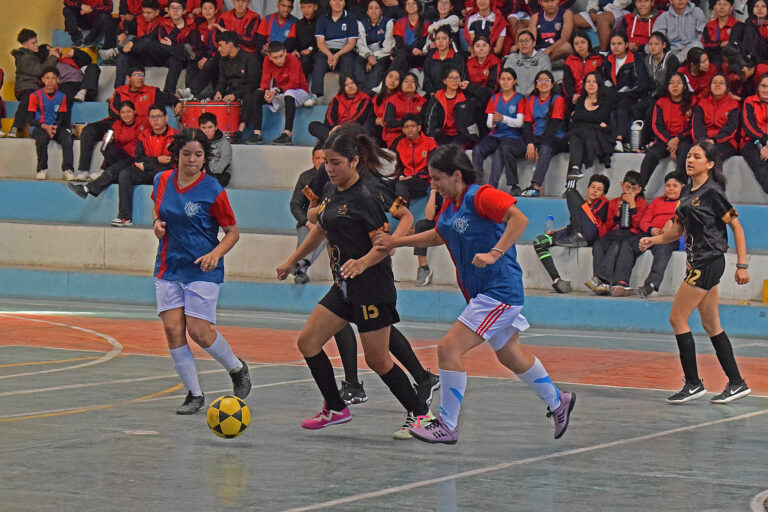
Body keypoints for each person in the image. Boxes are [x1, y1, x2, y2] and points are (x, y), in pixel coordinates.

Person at [374, 144, 576, 444]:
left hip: (499, 291)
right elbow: (441, 234)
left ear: (456, 175)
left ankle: (447, 424)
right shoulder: (450, 205)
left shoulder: (480, 195)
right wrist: (397, 242)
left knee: (448, 349)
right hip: (481, 293)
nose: (434, 185)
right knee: (511, 355)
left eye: (437, 179)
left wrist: (495, 253)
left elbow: (518, 220)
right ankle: (559, 401)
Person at [275, 129, 434, 436]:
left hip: (372, 287)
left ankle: (421, 414)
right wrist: (291, 260)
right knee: (308, 341)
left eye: (336, 163)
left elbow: (381, 245)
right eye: (326, 163)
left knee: (377, 360)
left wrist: (362, 262)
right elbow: (320, 230)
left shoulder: (365, 197)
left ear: (354, 161)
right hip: (345, 286)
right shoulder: (332, 191)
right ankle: (335, 407)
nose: (329, 169)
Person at [639, 141, 751, 404]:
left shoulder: (713, 192)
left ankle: (693, 383)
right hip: (698, 262)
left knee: (677, 318)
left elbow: (736, 227)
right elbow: (677, 231)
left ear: (709, 164)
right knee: (711, 325)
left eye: (697, 157)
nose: (690, 160)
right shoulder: (687, 192)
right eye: (688, 156)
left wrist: (742, 265)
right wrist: (652, 241)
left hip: (708, 262)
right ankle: (737, 382)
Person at [152, 128, 251, 415]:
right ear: (177, 155)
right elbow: (160, 215)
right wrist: (157, 225)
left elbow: (232, 233)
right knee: (173, 329)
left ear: (205, 158)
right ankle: (194, 394)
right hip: (169, 266)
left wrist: (215, 253)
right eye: (187, 154)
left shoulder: (212, 190)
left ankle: (236, 367)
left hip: (203, 269)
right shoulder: (161, 180)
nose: (192, 160)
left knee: (199, 331)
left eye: (198, 155)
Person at [76, 66, 179, 180]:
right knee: (88, 130)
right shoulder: (120, 91)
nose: (140, 78)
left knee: (114, 145)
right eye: (136, 75)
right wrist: (124, 122)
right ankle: (83, 170)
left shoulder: (152, 91)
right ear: (128, 78)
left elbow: (168, 97)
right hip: (117, 123)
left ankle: (104, 169)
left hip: (137, 126)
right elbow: (113, 110)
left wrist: (177, 102)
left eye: (142, 75)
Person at [533, 173, 610, 293]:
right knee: (539, 241)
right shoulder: (580, 204)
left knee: (571, 192)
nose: (595, 191)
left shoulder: (603, 202)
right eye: (592, 187)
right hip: (574, 229)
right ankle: (557, 280)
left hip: (591, 232)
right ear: (588, 188)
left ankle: (571, 185)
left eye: (599, 189)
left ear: (604, 194)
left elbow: (594, 219)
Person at [610, 172, 682, 297]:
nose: (670, 188)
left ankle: (651, 284)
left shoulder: (683, 203)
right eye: (668, 185)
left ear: (683, 187)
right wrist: (651, 229)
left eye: (675, 186)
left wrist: (668, 230)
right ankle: (621, 282)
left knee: (663, 248)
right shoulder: (656, 201)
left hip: (668, 237)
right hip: (650, 234)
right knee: (628, 244)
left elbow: (683, 221)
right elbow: (644, 221)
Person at [113, 105, 178, 227]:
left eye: (159, 116)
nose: (155, 120)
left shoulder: (175, 135)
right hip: (148, 172)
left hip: (165, 173)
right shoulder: (144, 135)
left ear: (166, 117)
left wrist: (148, 165)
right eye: (152, 117)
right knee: (125, 173)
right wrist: (157, 160)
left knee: (167, 171)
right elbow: (139, 159)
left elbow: (172, 162)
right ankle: (124, 217)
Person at [585, 170, 648, 295]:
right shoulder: (614, 202)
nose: (630, 191)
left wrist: (632, 205)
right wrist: (617, 215)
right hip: (614, 233)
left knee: (616, 245)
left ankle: (600, 279)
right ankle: (601, 283)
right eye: (627, 187)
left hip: (630, 234)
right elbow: (608, 226)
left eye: (634, 189)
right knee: (598, 244)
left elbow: (638, 225)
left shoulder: (641, 204)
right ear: (622, 185)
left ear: (639, 190)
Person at [68, 101, 142, 199]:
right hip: (122, 157)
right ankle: (98, 177)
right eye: (123, 112)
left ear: (134, 112)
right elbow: (107, 150)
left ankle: (86, 189)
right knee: (108, 149)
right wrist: (108, 141)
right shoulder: (117, 124)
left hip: (134, 158)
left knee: (113, 169)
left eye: (128, 112)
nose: (126, 115)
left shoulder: (141, 124)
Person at [472, 67, 526, 192]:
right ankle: (477, 183)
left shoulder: (520, 99)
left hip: (513, 136)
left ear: (514, 81)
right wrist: (494, 122)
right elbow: (489, 124)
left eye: (509, 79)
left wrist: (503, 119)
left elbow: (520, 123)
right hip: (496, 135)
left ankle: (491, 188)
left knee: (500, 152)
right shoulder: (494, 98)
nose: (505, 82)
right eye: (502, 79)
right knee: (478, 149)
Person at [245, 40, 309, 145]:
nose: (279, 60)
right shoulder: (266, 61)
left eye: (281, 56)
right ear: (269, 56)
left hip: (299, 91)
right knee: (257, 93)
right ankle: (257, 133)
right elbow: (265, 80)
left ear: (285, 52)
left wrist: (275, 90)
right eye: (275, 57)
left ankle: (287, 134)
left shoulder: (293, 59)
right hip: (280, 91)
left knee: (289, 94)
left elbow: (295, 83)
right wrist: (266, 91)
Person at [639, 72, 694, 187]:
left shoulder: (692, 102)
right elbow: (657, 126)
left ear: (684, 86)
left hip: (684, 139)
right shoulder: (661, 102)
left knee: (685, 151)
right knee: (651, 155)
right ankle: (640, 188)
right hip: (665, 139)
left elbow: (693, 126)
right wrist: (670, 142)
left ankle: (680, 186)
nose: (675, 86)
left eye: (678, 83)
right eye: (671, 83)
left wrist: (678, 139)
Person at [520, 70, 568, 197]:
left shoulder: (557, 99)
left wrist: (537, 145)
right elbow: (527, 125)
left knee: (545, 148)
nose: (543, 83)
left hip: (555, 137)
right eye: (540, 80)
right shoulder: (531, 99)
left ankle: (535, 186)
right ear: (536, 85)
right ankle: (513, 185)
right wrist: (530, 142)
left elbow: (553, 127)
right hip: (535, 138)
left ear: (552, 84)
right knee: (508, 147)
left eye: (547, 80)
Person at [303, 0, 358, 106]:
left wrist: (337, 55)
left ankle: (345, 96)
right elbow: (320, 42)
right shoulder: (323, 18)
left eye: (340, 0)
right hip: (326, 50)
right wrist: (329, 55)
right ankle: (314, 95)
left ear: (344, 2)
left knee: (348, 61)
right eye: (334, 0)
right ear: (330, 2)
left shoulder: (351, 18)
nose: (337, 3)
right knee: (319, 62)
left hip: (344, 50)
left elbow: (351, 43)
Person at [8, 29, 60, 139]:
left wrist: (50, 50)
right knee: (29, 97)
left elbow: (43, 49)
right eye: (33, 43)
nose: (36, 45)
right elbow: (40, 70)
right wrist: (53, 56)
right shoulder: (24, 58)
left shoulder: (33, 54)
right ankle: (16, 127)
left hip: (35, 88)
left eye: (37, 42)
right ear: (24, 45)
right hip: (25, 87)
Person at [112, 0, 173, 90]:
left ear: (157, 12)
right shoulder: (139, 18)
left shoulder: (163, 22)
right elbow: (127, 25)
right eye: (143, 12)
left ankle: (118, 51)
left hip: (155, 58)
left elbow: (150, 37)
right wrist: (125, 33)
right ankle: (118, 91)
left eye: (148, 13)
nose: (145, 15)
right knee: (122, 57)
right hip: (140, 55)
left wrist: (132, 42)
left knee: (148, 41)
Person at [602, 32, 648, 152]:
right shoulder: (608, 60)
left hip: (632, 95)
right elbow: (604, 79)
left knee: (622, 105)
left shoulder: (635, 60)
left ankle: (619, 140)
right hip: (613, 95)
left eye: (619, 44)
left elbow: (641, 84)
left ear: (626, 44)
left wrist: (624, 92)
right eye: (613, 44)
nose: (616, 47)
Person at [566, 72, 614, 183]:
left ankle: (571, 182)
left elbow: (601, 117)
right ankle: (574, 171)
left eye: (594, 82)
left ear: (599, 84)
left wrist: (579, 116)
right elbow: (577, 122)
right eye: (588, 82)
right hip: (582, 134)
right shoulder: (581, 100)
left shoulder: (606, 100)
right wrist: (594, 121)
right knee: (575, 137)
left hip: (600, 136)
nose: (591, 84)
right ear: (584, 84)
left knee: (577, 136)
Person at [289, 143, 328, 284]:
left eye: (324, 158)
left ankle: (300, 265)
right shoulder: (305, 177)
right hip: (307, 221)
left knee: (323, 234)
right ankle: (302, 267)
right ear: (313, 159)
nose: (321, 161)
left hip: (328, 222)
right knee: (306, 232)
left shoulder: (334, 177)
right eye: (318, 158)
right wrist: (307, 222)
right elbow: (295, 204)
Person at [214, 31, 262, 143]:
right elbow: (222, 81)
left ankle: (240, 130)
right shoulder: (223, 61)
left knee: (249, 95)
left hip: (248, 89)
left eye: (221, 46)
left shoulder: (250, 58)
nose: (219, 49)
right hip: (231, 90)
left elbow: (253, 82)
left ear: (230, 44)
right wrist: (219, 92)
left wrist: (235, 95)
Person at [633, 31, 679, 148]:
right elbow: (646, 81)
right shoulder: (647, 60)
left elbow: (670, 81)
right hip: (652, 94)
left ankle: (646, 140)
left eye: (656, 44)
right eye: (650, 44)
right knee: (635, 108)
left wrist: (655, 95)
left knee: (652, 109)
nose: (653, 47)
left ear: (663, 45)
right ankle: (636, 136)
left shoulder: (671, 59)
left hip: (666, 94)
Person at [28, 68, 75, 181]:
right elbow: (30, 119)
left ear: (58, 80)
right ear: (43, 80)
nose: (50, 81)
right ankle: (41, 169)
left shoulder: (61, 96)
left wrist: (55, 127)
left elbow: (60, 117)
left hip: (54, 126)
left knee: (67, 137)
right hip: (38, 126)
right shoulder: (35, 95)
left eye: (53, 78)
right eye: (47, 78)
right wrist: (44, 126)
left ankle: (68, 170)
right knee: (42, 138)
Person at [308, 74, 372, 142]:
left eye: (352, 83)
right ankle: (336, 141)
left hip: (353, 130)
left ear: (356, 84)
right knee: (313, 126)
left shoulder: (365, 98)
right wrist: (334, 127)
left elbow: (359, 118)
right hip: (336, 131)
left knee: (358, 129)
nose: (350, 86)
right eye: (346, 85)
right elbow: (329, 118)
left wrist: (342, 128)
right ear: (342, 87)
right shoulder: (336, 99)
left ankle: (334, 141)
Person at [178, 0, 222, 99]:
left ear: (215, 10)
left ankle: (191, 93)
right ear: (201, 10)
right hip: (205, 56)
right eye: (204, 8)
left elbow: (219, 48)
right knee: (192, 61)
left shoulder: (220, 24)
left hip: (218, 57)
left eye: (210, 8)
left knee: (208, 64)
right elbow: (200, 45)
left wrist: (207, 58)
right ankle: (189, 90)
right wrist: (202, 57)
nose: (207, 11)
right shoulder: (201, 26)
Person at [692, 73, 739, 163]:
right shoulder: (702, 103)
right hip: (703, 140)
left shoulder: (733, 104)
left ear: (727, 88)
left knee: (714, 156)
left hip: (725, 141)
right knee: (693, 155)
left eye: (721, 83)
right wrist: (703, 141)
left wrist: (714, 140)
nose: (717, 85)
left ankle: (715, 177)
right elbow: (697, 125)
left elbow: (731, 127)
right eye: (714, 82)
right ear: (710, 86)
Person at [392, 114, 438, 203]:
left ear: (419, 128)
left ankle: (402, 213)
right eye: (407, 127)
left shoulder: (430, 143)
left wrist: (412, 177)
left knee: (402, 185)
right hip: (405, 179)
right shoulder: (400, 144)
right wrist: (401, 176)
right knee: (383, 184)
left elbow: (434, 169)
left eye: (413, 126)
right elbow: (399, 167)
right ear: (403, 130)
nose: (410, 129)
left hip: (423, 181)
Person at [354, 0, 396, 95]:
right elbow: (361, 44)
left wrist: (374, 57)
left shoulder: (388, 22)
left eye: (377, 8)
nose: (374, 11)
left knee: (378, 67)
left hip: (383, 54)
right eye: (371, 8)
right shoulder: (362, 23)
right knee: (357, 63)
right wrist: (369, 56)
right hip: (366, 53)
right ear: (367, 11)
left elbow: (388, 46)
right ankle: (361, 91)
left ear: (381, 10)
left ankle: (368, 93)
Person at [464, 36, 501, 136]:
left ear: (490, 47)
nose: (481, 49)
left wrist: (472, 88)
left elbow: (493, 88)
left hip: (489, 98)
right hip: (473, 97)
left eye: (484, 45)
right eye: (477, 46)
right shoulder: (469, 63)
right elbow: (465, 85)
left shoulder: (495, 61)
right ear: (473, 48)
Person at [740, 73, 768, 194]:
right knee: (762, 169)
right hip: (750, 141)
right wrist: (765, 140)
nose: (766, 90)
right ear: (758, 87)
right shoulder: (749, 101)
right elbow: (749, 126)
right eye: (763, 86)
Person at [383, 72, 427, 148]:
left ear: (416, 85)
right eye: (406, 81)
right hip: (395, 135)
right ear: (401, 85)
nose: (409, 84)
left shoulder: (423, 101)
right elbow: (389, 122)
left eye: (413, 82)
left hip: (417, 135)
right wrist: (405, 124)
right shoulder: (393, 99)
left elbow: (423, 121)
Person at [504, 30, 552, 96]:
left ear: (534, 43)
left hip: (537, 97)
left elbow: (545, 82)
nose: (524, 44)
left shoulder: (543, 59)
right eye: (521, 41)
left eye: (527, 40)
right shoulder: (512, 59)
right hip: (515, 98)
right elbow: (505, 81)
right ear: (517, 44)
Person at [562, 30, 603, 107]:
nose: (580, 46)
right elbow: (567, 82)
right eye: (576, 44)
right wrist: (573, 95)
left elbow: (600, 81)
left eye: (583, 42)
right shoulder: (569, 61)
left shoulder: (598, 59)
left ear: (588, 42)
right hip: (575, 98)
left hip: (594, 97)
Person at [422, 26, 466, 95]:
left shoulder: (458, 59)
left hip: (454, 94)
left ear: (450, 40)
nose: (441, 41)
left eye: (444, 38)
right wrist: (435, 93)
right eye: (438, 39)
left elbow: (462, 80)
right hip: (434, 95)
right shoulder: (429, 59)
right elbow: (427, 82)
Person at [411, 187, 442, 286]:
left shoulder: (456, 189)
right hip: (439, 224)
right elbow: (429, 216)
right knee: (421, 224)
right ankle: (423, 267)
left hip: (452, 223)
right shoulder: (437, 190)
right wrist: (433, 192)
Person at [389, 0, 429, 75]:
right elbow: (399, 44)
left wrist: (413, 50)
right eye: (408, 4)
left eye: (414, 3)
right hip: (404, 53)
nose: (411, 5)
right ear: (405, 7)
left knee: (401, 56)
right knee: (402, 56)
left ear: (418, 6)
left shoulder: (425, 23)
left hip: (418, 56)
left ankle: (390, 77)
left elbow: (421, 43)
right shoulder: (400, 22)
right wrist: (411, 49)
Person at [198, 112, 233, 186]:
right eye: (203, 128)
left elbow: (224, 162)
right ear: (199, 128)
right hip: (202, 171)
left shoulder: (224, 143)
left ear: (216, 127)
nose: (207, 131)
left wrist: (207, 171)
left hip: (221, 174)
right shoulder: (196, 142)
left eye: (210, 127)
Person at [728, 0, 768, 65]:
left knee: (749, 26)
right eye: (756, 6)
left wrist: (751, 19)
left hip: (761, 57)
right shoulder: (747, 25)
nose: (759, 9)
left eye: (763, 6)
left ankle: (748, 58)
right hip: (745, 53)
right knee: (739, 25)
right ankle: (733, 56)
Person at [293, 0, 320, 89]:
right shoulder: (299, 23)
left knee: (306, 61)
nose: (306, 10)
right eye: (303, 7)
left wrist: (310, 49)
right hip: (302, 52)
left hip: (316, 51)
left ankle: (301, 88)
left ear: (315, 7)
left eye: (309, 7)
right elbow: (296, 40)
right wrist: (295, 50)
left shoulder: (321, 22)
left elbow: (320, 40)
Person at [371, 69, 401, 146]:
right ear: (385, 78)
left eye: (397, 79)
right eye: (390, 77)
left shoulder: (401, 98)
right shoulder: (378, 96)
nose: (392, 81)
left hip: (394, 131)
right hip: (380, 130)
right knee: (369, 124)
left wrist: (384, 123)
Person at [703, 0, 737, 66]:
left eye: (725, 4)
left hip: (730, 58)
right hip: (711, 57)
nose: (722, 7)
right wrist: (721, 44)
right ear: (715, 7)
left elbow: (736, 44)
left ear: (731, 8)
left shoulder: (737, 25)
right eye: (719, 4)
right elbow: (706, 45)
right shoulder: (709, 25)